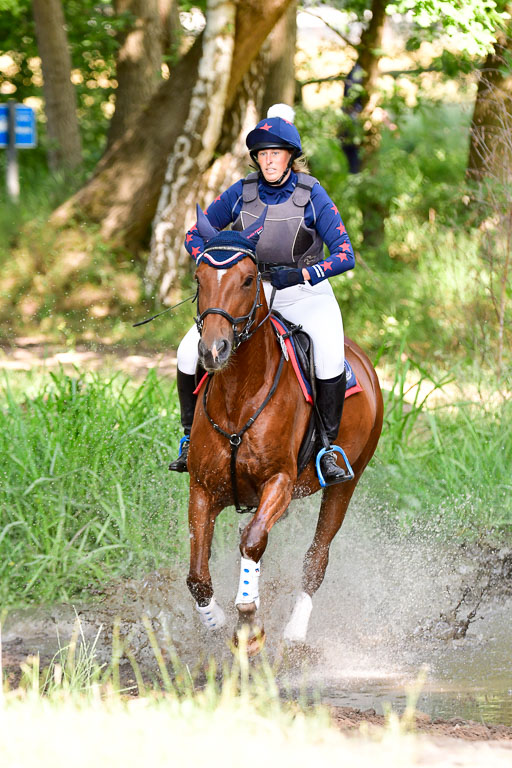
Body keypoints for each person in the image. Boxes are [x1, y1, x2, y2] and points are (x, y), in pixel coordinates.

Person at [169, 104, 356, 485]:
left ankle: (327, 448)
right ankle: (190, 439)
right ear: (256, 158)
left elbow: (344, 254)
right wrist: (212, 262)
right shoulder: (241, 192)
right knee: (187, 352)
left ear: (290, 157)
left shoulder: (312, 193)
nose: (269, 160)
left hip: (305, 293)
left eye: (276, 153)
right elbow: (193, 235)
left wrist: (302, 274)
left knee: (328, 355)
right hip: (249, 293)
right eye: (263, 154)